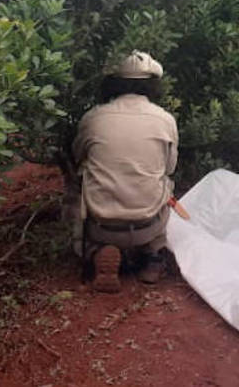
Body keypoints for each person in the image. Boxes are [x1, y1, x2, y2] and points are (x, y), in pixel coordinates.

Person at [70, 51, 177, 293]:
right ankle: (152, 255)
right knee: (166, 181)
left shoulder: (92, 118)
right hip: (146, 225)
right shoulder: (165, 120)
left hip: (102, 227)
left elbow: (79, 156)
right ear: (152, 84)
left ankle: (94, 251)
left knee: (81, 178)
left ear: (112, 82)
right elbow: (169, 168)